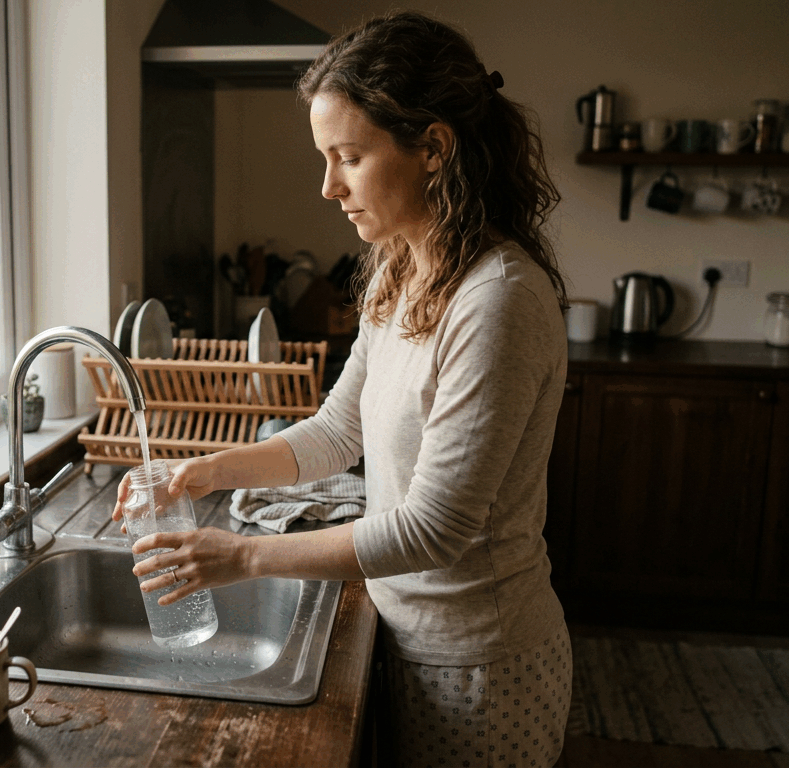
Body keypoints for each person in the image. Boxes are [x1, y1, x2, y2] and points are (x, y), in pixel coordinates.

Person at [113, 10, 572, 767]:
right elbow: (337, 433)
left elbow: (433, 530)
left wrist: (243, 557)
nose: (328, 187)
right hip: (403, 632)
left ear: (433, 148)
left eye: (349, 157)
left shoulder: (497, 302)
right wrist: (202, 471)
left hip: (479, 669)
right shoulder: (400, 270)